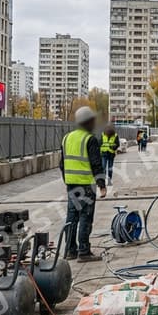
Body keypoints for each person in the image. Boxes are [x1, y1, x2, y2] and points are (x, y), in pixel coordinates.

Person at [62, 106, 107, 262]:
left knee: (71, 218)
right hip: (86, 186)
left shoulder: (66, 138)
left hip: (71, 185)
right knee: (85, 217)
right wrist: (102, 184)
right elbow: (96, 164)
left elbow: (62, 164)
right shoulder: (90, 139)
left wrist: (67, 180)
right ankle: (84, 251)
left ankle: (70, 251)